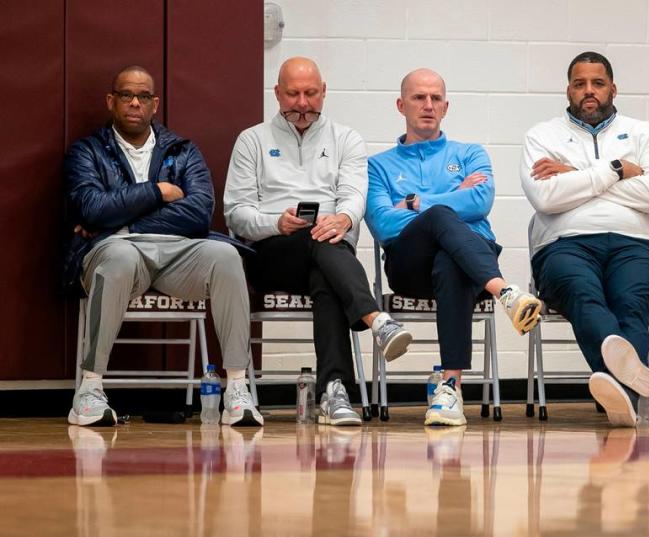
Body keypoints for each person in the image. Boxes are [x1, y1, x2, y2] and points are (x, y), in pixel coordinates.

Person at [64, 65, 262, 427]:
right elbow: (91, 207)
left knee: (226, 255)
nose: (134, 103)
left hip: (175, 251)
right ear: (111, 101)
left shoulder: (182, 151)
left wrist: (124, 222)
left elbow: (200, 212)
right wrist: (157, 192)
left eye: (143, 97)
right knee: (120, 257)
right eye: (126, 95)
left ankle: (236, 390)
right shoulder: (86, 151)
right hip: (115, 251)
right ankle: (89, 391)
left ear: (155, 104)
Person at [224, 57, 412, 427]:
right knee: (323, 245)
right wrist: (276, 222)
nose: (302, 103)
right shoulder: (252, 140)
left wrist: (343, 218)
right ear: (277, 94)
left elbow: (353, 197)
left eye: (311, 93)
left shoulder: (346, 139)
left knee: (326, 271)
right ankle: (375, 320)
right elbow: (236, 213)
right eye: (293, 94)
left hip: (327, 255)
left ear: (324, 93)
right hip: (270, 254)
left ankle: (334, 391)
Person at [365, 68, 543, 427]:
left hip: (468, 264)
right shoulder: (378, 166)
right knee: (442, 216)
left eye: (435, 99)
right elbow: (383, 223)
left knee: (451, 259)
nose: (427, 105)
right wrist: (441, 202)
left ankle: (450, 389)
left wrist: (413, 202)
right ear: (401, 105)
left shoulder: (470, 153)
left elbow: (480, 202)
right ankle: (505, 292)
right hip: (409, 265)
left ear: (446, 107)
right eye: (419, 98)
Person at [520, 52, 649, 427]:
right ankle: (631, 388)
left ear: (612, 88)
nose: (588, 91)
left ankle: (620, 392)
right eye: (580, 84)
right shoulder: (542, 136)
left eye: (597, 83)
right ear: (568, 90)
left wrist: (579, 174)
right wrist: (619, 170)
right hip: (564, 243)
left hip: (635, 244)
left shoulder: (645, 133)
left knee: (632, 301)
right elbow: (545, 197)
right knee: (582, 291)